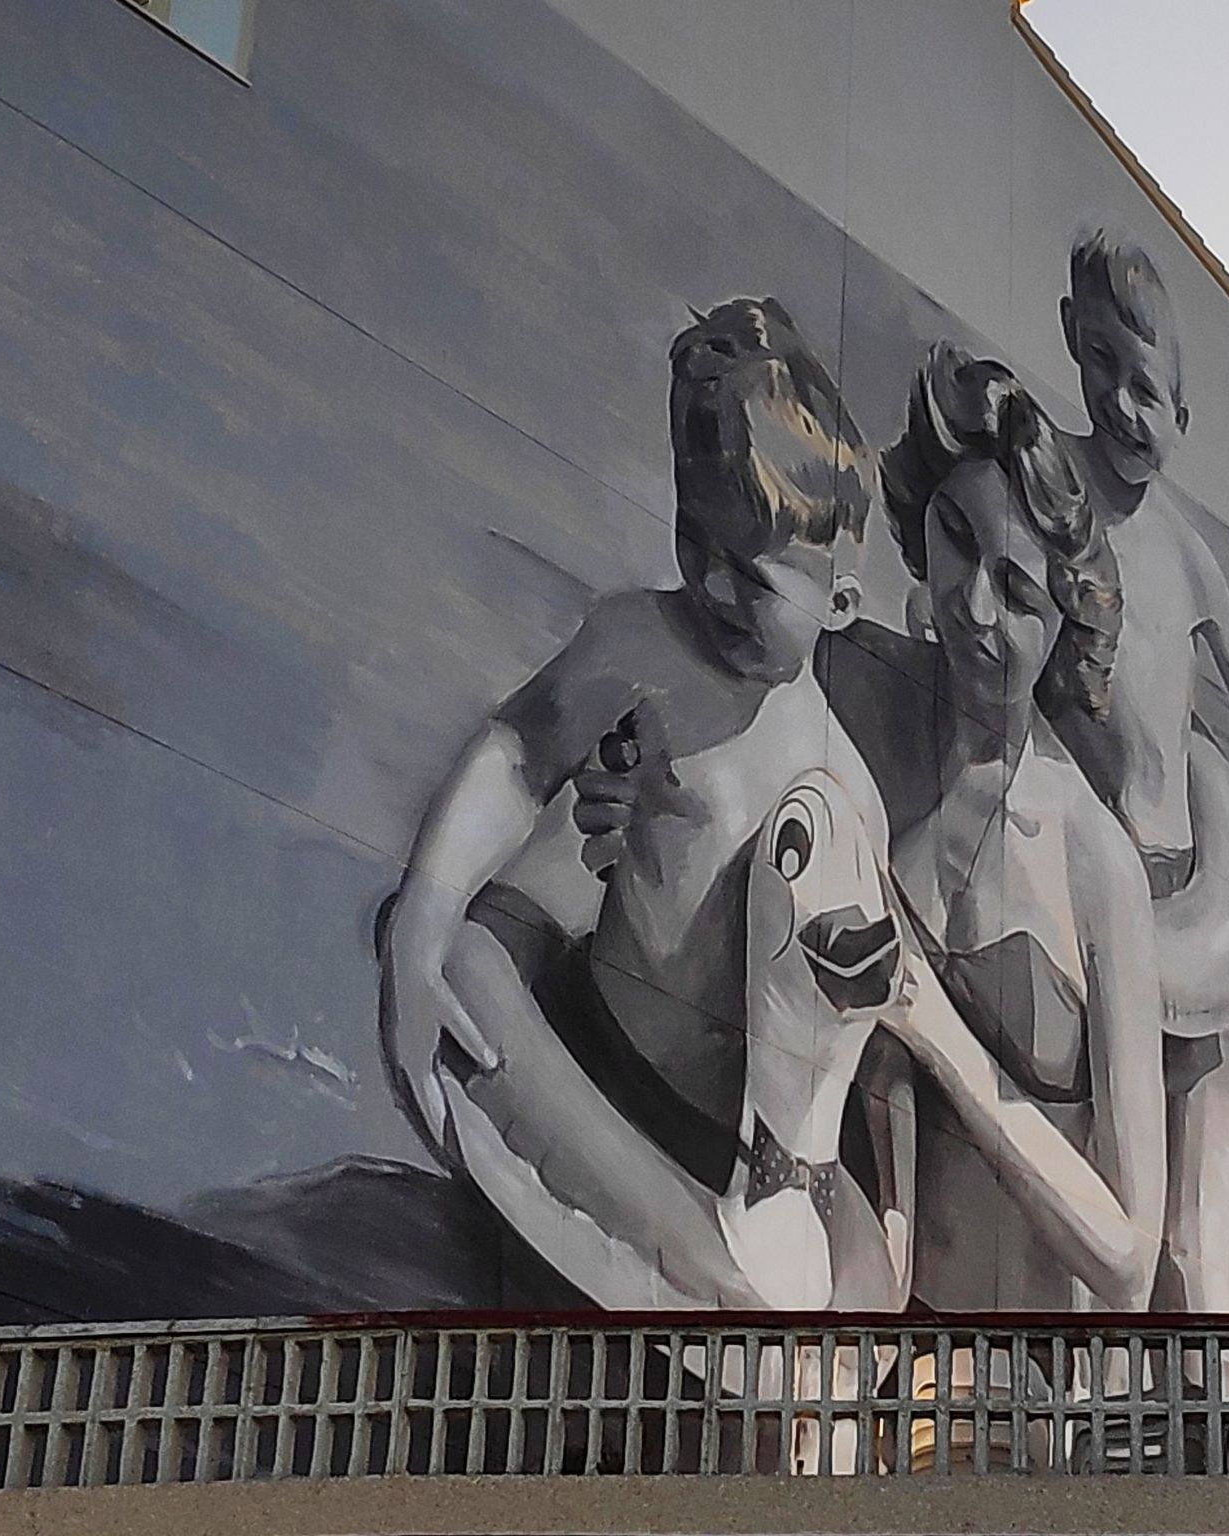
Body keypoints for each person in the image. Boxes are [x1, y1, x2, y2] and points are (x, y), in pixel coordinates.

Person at [380, 298, 913, 1310]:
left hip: (727, 1141)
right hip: (601, 1053)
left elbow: (857, 1041)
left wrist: (882, 1218)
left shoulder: (846, 792)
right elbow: (517, 758)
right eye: (691, 536)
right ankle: (689, 1265)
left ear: (841, 604)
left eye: (751, 573)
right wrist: (422, 925)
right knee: (462, 963)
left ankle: (719, 1278)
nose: (710, 582)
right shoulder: (642, 644)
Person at [824, 343, 1168, 1312]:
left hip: (1015, 1381)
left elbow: (1129, 1262)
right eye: (954, 537)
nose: (971, 606)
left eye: (1016, 593)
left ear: (1066, 626)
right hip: (836, 1324)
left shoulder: (1096, 865)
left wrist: (936, 1031)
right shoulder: (846, 684)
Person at [1052, 232, 1229, 1309]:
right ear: (1070, 338)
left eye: (1146, 390)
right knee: (1095, 1160)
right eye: (1102, 364)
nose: (1121, 405)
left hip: (1181, 893)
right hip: (1079, 887)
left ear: (1182, 417)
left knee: (1183, 1228)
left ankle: (1183, 1367)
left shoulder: (1190, 558)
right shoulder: (1045, 496)